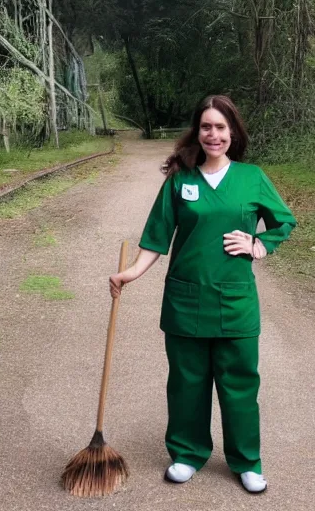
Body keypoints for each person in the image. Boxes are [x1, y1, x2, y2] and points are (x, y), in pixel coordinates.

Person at [109, 95, 296, 494]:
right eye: (206, 127)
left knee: (240, 385)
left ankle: (246, 461)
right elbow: (157, 237)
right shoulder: (181, 181)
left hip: (236, 303)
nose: (213, 135)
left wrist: (259, 244)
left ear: (233, 133)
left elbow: (284, 221)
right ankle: (187, 453)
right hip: (186, 302)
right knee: (186, 383)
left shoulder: (252, 177)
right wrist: (131, 273)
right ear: (197, 131)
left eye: (221, 127)